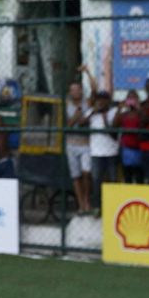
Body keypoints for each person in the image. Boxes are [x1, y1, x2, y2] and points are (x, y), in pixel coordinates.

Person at [64, 77, 94, 215]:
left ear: (81, 90)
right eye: (72, 90)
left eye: (77, 89)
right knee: (75, 175)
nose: (75, 92)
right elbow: (67, 126)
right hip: (71, 144)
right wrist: (76, 116)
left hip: (85, 143)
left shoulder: (86, 103)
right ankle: (81, 204)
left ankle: (87, 201)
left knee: (86, 173)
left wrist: (87, 72)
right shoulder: (67, 105)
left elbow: (95, 90)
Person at [87, 90, 119, 215]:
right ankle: (97, 207)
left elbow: (114, 135)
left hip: (111, 152)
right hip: (96, 153)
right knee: (96, 180)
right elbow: (81, 124)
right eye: (98, 100)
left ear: (108, 101)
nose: (100, 102)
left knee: (112, 180)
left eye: (103, 100)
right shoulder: (91, 112)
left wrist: (105, 120)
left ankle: (113, 207)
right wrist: (93, 113)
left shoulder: (113, 112)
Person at [116, 91, 145, 185]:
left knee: (139, 175)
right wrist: (119, 109)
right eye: (129, 98)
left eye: (134, 98)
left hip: (138, 148)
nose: (131, 100)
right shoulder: (124, 114)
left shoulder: (140, 113)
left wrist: (139, 108)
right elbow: (115, 123)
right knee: (127, 175)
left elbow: (144, 122)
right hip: (126, 148)